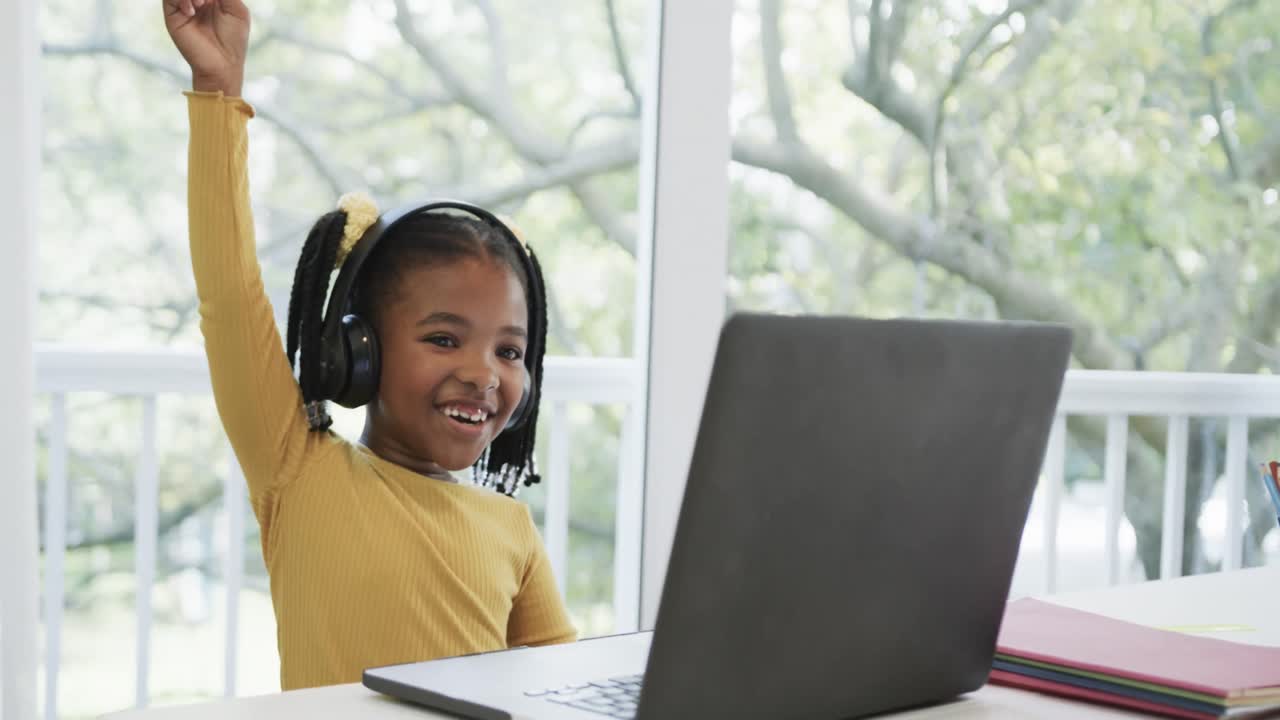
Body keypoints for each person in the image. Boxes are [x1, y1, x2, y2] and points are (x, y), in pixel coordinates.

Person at [162, 0, 577, 690]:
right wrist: (219, 95)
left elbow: (565, 689)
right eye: (445, 338)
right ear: (357, 352)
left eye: (509, 351)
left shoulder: (513, 531)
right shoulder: (298, 471)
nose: (484, 373)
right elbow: (230, 296)